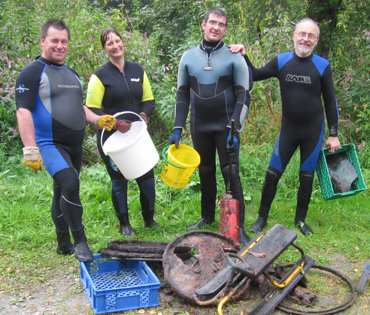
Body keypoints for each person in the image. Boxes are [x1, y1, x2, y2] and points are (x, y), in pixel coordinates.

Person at [15, 18, 116, 262]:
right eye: (54, 40)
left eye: (64, 41)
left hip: (74, 146)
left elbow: (77, 107)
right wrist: (30, 149)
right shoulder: (31, 72)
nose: (60, 45)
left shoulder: (71, 74)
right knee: (70, 183)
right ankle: (80, 241)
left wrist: (98, 119)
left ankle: (63, 243)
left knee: (62, 189)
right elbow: (23, 111)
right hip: (49, 144)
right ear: (42, 41)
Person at [229, 18, 341, 235]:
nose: (305, 39)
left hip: (313, 131)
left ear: (316, 40)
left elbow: (330, 100)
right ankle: (261, 218)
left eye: (310, 36)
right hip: (289, 129)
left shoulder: (322, 66)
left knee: (306, 176)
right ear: (294, 36)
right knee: (272, 173)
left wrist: (333, 134)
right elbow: (255, 75)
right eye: (302, 34)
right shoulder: (281, 61)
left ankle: (300, 220)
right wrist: (244, 56)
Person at [168, 9, 253, 244]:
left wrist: (235, 127)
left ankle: (239, 226)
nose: (216, 27)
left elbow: (244, 94)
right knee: (205, 171)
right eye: (212, 23)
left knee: (231, 172)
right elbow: (182, 94)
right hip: (199, 125)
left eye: (222, 24)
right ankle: (206, 216)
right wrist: (178, 128)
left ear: (226, 29)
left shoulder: (234, 56)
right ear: (203, 25)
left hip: (226, 125)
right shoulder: (187, 57)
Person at [86, 29, 162, 237]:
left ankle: (149, 219)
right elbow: (92, 108)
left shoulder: (138, 70)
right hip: (112, 138)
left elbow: (148, 99)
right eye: (109, 43)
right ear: (104, 49)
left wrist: (144, 115)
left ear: (123, 43)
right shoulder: (100, 75)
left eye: (117, 41)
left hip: (136, 136)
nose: (115, 46)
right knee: (119, 180)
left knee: (147, 176)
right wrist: (115, 123)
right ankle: (125, 224)